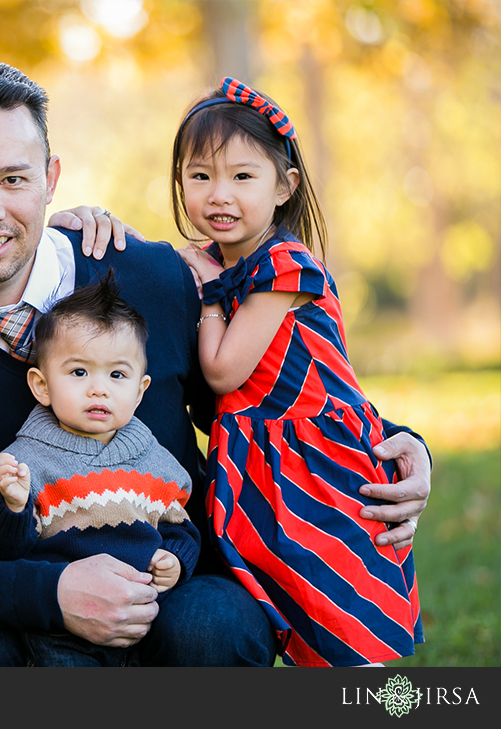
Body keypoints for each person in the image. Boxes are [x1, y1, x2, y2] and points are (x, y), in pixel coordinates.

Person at [0, 58, 432, 666]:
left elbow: (272, 393)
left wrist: (401, 446)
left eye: (14, 179)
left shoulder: (150, 278)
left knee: (214, 624)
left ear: (50, 177)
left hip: (175, 579)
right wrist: (54, 594)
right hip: (17, 603)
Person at [174, 78, 422, 666]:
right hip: (267, 465)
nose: (219, 194)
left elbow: (222, 371)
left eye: (242, 176)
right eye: (199, 175)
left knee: (344, 623)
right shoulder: (218, 261)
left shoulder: (284, 267)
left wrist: (207, 298)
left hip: (318, 462)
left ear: (284, 187)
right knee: (301, 620)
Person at [0, 272, 201, 666]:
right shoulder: (23, 465)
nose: (99, 389)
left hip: (142, 624)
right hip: (60, 632)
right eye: (79, 373)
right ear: (42, 386)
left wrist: (175, 560)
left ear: (140, 390)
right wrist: (12, 507)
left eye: (117, 375)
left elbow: (180, 527)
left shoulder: (158, 463)